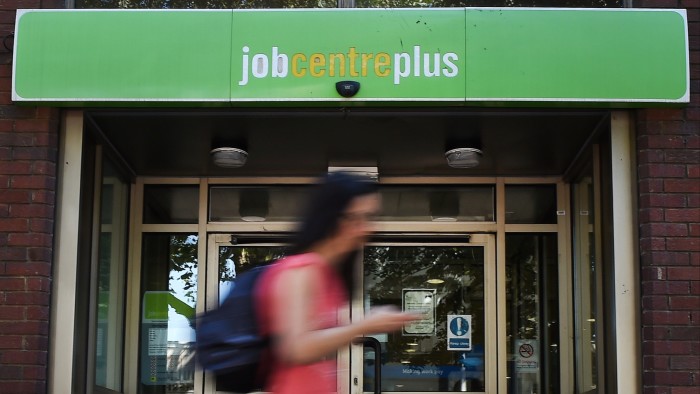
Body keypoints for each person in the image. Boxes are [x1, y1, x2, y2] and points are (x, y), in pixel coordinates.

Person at [256, 172, 419, 394]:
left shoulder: (329, 277)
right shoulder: (302, 270)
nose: (369, 228)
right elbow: (296, 347)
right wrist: (364, 326)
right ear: (333, 218)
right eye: (359, 218)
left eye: (371, 218)